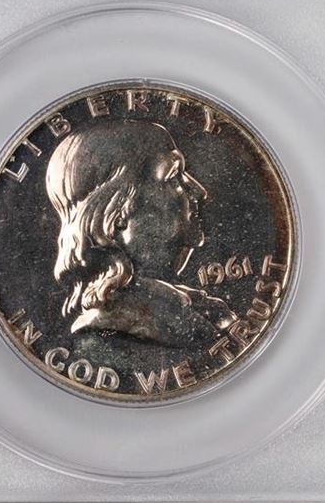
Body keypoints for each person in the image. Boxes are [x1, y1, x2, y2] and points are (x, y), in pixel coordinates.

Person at [46, 119, 232, 347]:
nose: (199, 191)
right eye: (174, 176)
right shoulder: (113, 329)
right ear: (115, 214)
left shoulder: (193, 308)